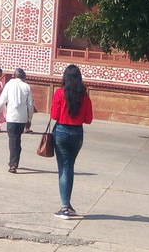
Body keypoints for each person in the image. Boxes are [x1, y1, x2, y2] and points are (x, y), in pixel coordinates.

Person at [50, 64, 93, 219]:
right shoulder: (84, 95)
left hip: (61, 131)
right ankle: (68, 203)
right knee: (69, 166)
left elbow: (54, 115)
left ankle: (64, 207)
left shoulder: (60, 93)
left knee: (64, 168)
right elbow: (88, 119)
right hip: (77, 133)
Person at [0, 68, 35, 173]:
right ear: (23, 77)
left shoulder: (9, 84)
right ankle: (15, 160)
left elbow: (2, 100)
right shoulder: (26, 86)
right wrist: (29, 118)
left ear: (14, 75)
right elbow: (30, 105)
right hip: (22, 118)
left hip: (12, 116)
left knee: (13, 140)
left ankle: (13, 164)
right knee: (17, 139)